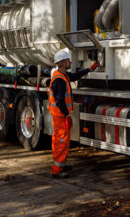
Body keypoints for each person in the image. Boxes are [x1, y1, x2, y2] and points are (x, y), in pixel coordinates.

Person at [49, 49, 99, 178]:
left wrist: (90, 69)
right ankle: (57, 170)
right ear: (62, 63)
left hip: (61, 115)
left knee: (64, 141)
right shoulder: (59, 79)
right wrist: (66, 114)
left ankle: (62, 164)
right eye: (67, 60)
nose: (70, 62)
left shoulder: (63, 75)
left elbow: (75, 76)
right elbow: (60, 101)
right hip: (60, 116)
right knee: (60, 142)